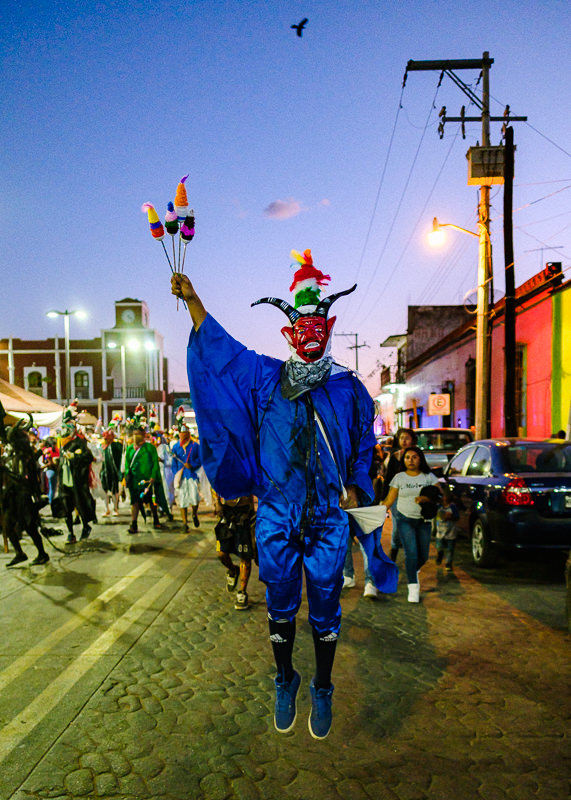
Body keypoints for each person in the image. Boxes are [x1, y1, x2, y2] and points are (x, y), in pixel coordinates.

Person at [171, 247, 397, 740]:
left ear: (330, 327)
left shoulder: (350, 390)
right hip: (276, 510)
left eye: (321, 325)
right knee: (279, 603)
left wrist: (359, 488)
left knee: (325, 604)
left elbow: (362, 447)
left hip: (327, 516)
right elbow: (225, 355)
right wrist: (194, 302)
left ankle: (322, 683)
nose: (312, 333)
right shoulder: (266, 377)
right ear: (288, 333)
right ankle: (285, 677)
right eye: (303, 327)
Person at [381, 446, 440, 603]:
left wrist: (426, 499)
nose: (411, 460)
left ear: (420, 459)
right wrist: (379, 509)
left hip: (423, 520)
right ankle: (413, 586)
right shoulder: (399, 477)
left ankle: (412, 568)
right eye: (407, 457)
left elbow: (437, 494)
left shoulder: (428, 477)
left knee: (424, 555)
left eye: (414, 457)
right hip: (404, 518)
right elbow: (390, 499)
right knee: (411, 552)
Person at [0, 414, 50, 567]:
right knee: (7, 526)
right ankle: (19, 553)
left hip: (23, 495)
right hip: (11, 495)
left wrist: (5, 470)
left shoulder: (24, 456)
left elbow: (23, 478)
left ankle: (42, 553)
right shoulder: (10, 454)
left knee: (29, 526)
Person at [123, 407, 168, 533]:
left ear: (143, 435)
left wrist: (153, 476)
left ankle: (156, 520)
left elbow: (155, 463)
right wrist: (127, 475)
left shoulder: (150, 448)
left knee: (151, 502)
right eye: (134, 434)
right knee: (135, 503)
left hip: (148, 480)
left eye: (139, 434)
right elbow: (127, 464)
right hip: (135, 481)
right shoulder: (130, 449)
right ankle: (134, 523)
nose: (136, 436)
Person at [54, 409, 97, 543]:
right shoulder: (61, 444)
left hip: (76, 481)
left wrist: (74, 457)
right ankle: (70, 534)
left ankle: (86, 526)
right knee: (67, 509)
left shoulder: (79, 442)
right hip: (64, 481)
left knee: (80, 505)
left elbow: (89, 457)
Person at [214, 493, 256, 610]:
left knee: (245, 556)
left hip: (245, 514)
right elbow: (214, 481)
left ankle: (242, 591)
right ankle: (233, 570)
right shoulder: (225, 473)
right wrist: (217, 502)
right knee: (221, 553)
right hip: (227, 512)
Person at [381, 428, 417, 562]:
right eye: (401, 438)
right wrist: (384, 499)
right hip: (397, 497)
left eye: (407, 438)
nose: (404, 441)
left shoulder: (417, 456)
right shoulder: (394, 456)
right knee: (397, 526)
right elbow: (388, 478)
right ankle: (394, 549)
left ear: (412, 440)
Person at [172, 427, 202, 531]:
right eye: (180, 433)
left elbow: (200, 459)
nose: (182, 435)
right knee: (182, 500)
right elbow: (173, 463)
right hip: (181, 477)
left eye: (184, 433)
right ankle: (185, 523)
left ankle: (194, 514)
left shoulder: (195, 446)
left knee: (194, 498)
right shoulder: (176, 447)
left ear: (188, 433)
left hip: (192, 476)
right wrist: (176, 475)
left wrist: (192, 465)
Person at [434, 487, 459, 571]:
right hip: (440, 532)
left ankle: (448, 564)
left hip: (451, 533)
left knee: (450, 550)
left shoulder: (452, 507)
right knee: (439, 546)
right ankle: (440, 554)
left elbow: (457, 518)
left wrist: (450, 517)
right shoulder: (438, 506)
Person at [100, 428, 123, 516]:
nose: (106, 439)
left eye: (107, 437)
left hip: (113, 472)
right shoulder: (102, 447)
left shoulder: (116, 446)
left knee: (114, 490)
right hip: (104, 472)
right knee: (104, 490)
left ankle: (115, 509)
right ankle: (107, 509)